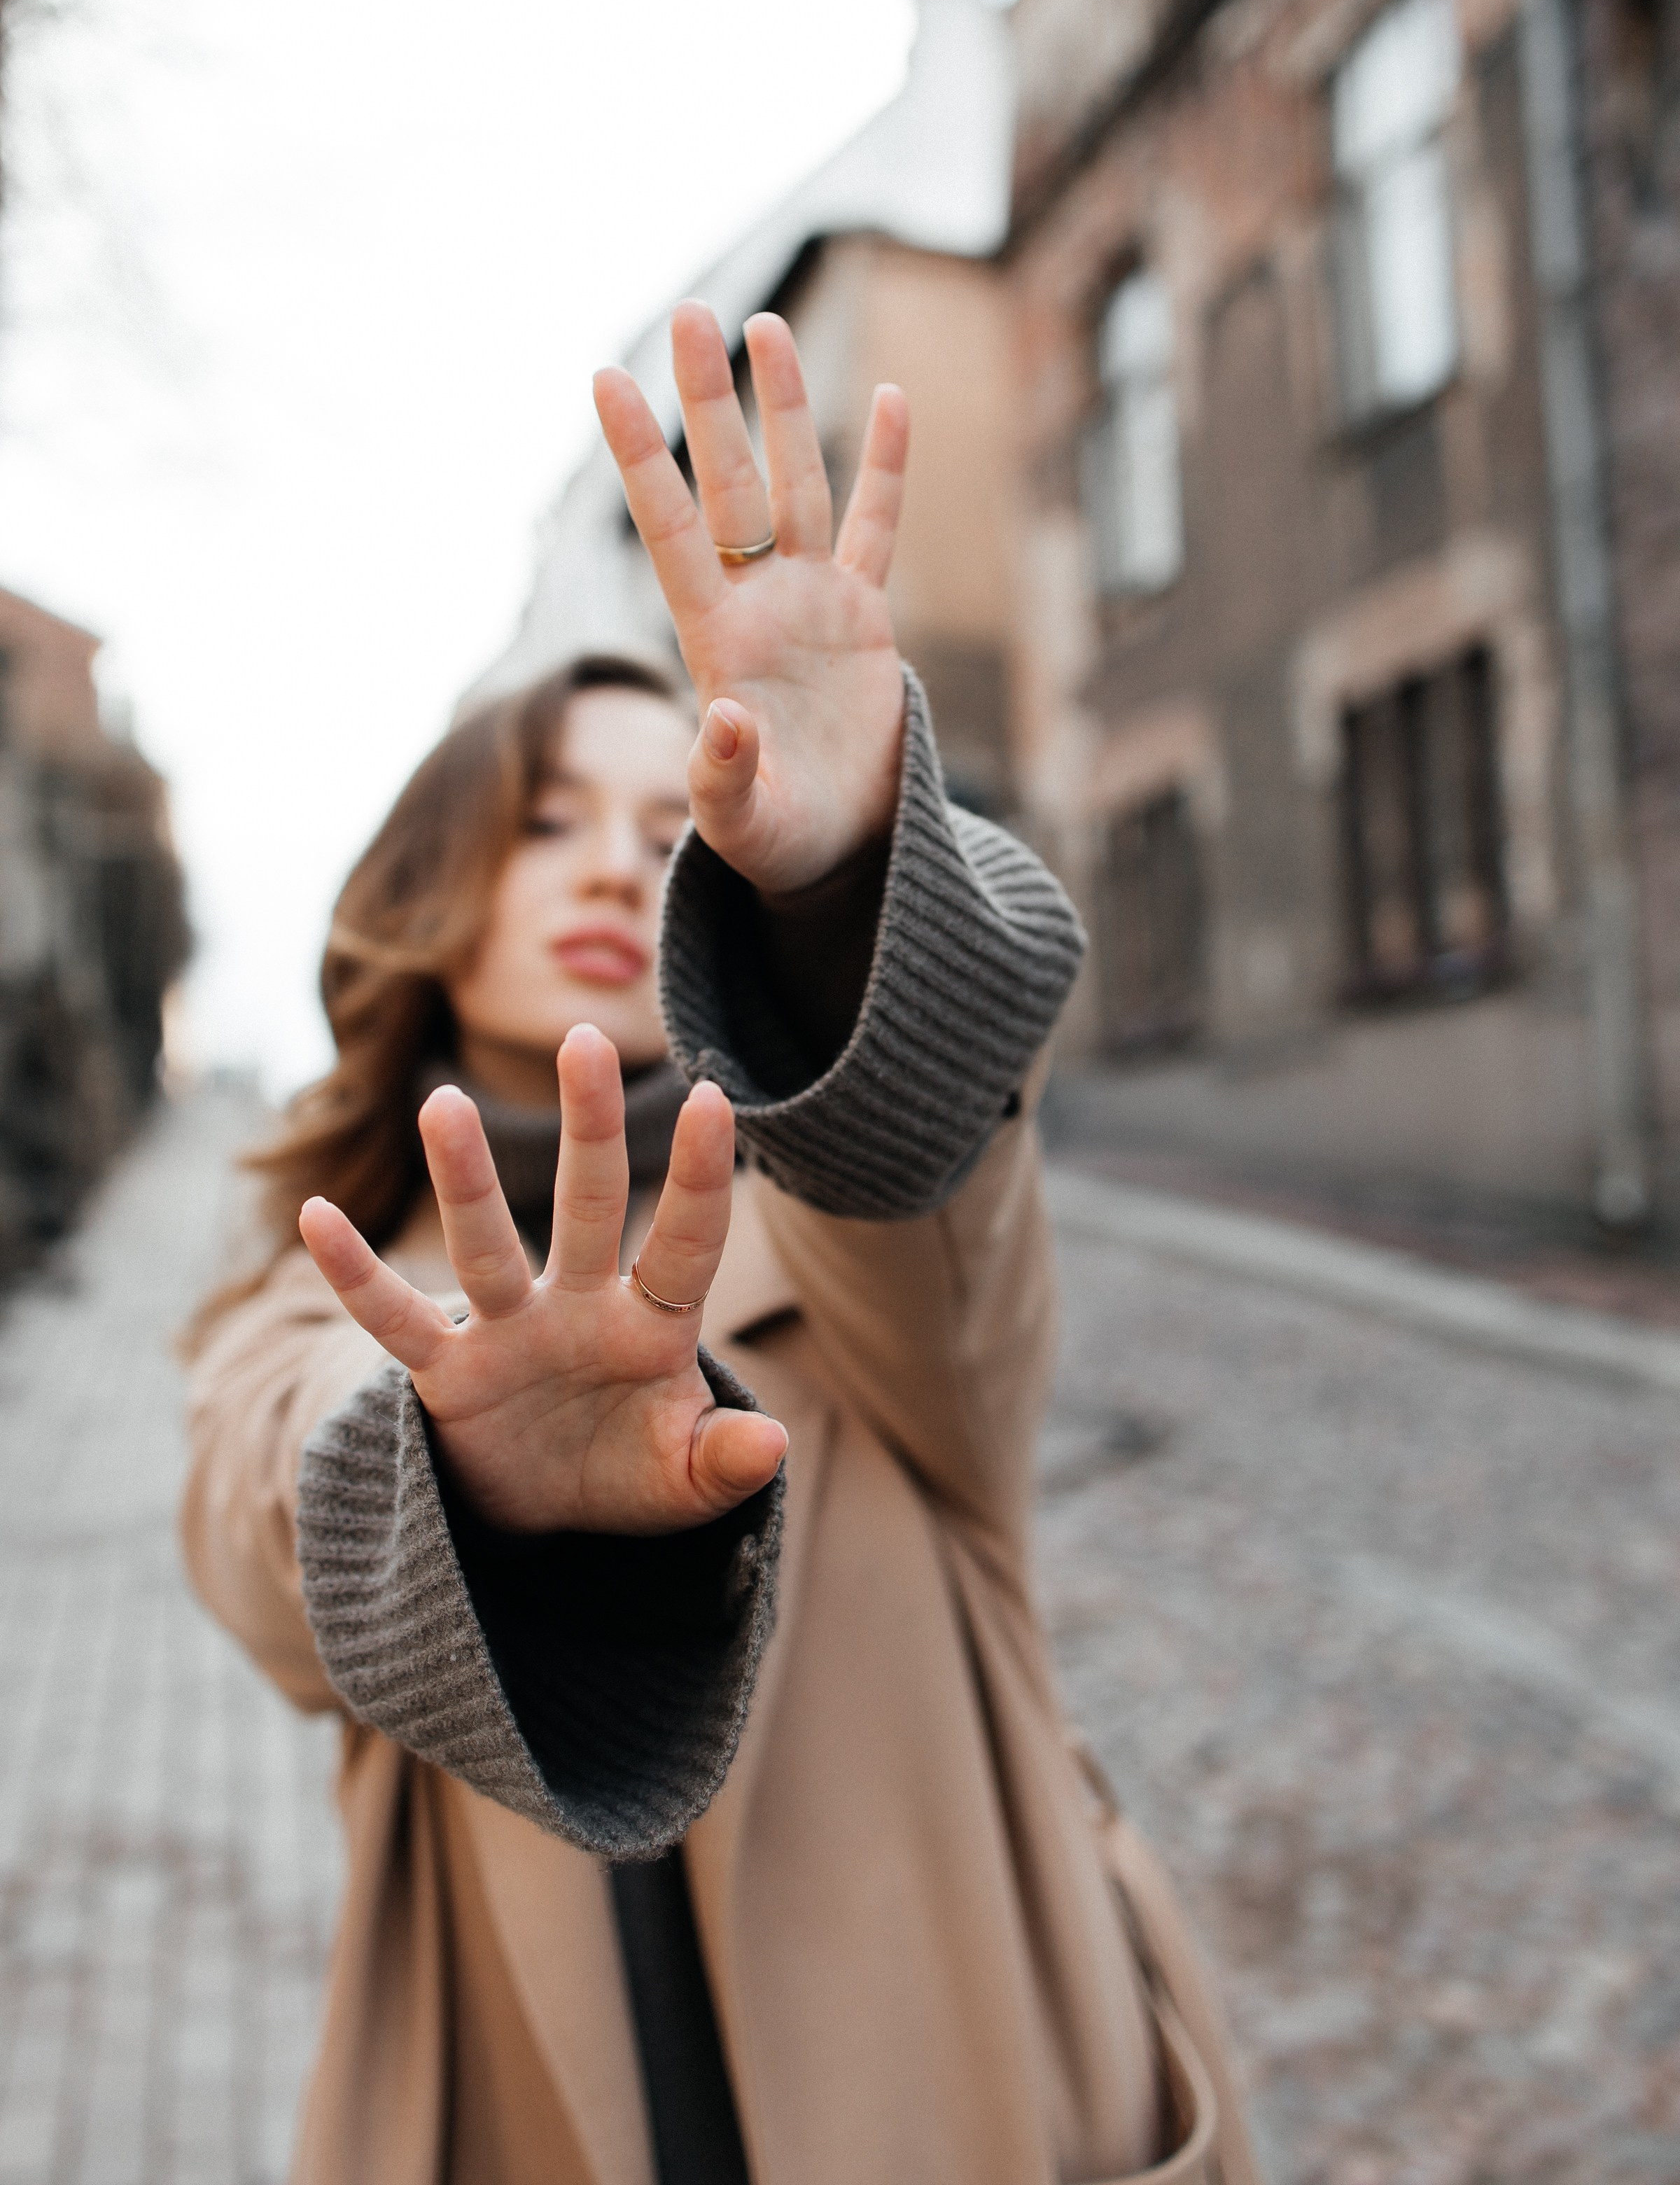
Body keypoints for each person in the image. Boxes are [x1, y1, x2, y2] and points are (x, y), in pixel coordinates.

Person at [181, 304, 1258, 2184]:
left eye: (654, 807)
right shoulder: (313, 1294)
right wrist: (460, 1473)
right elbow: (268, 1530)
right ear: (427, 893)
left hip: (983, 2088)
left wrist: (836, 889)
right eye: (543, 821)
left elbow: (925, 1203)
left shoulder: (839, 1217)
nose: (613, 860)